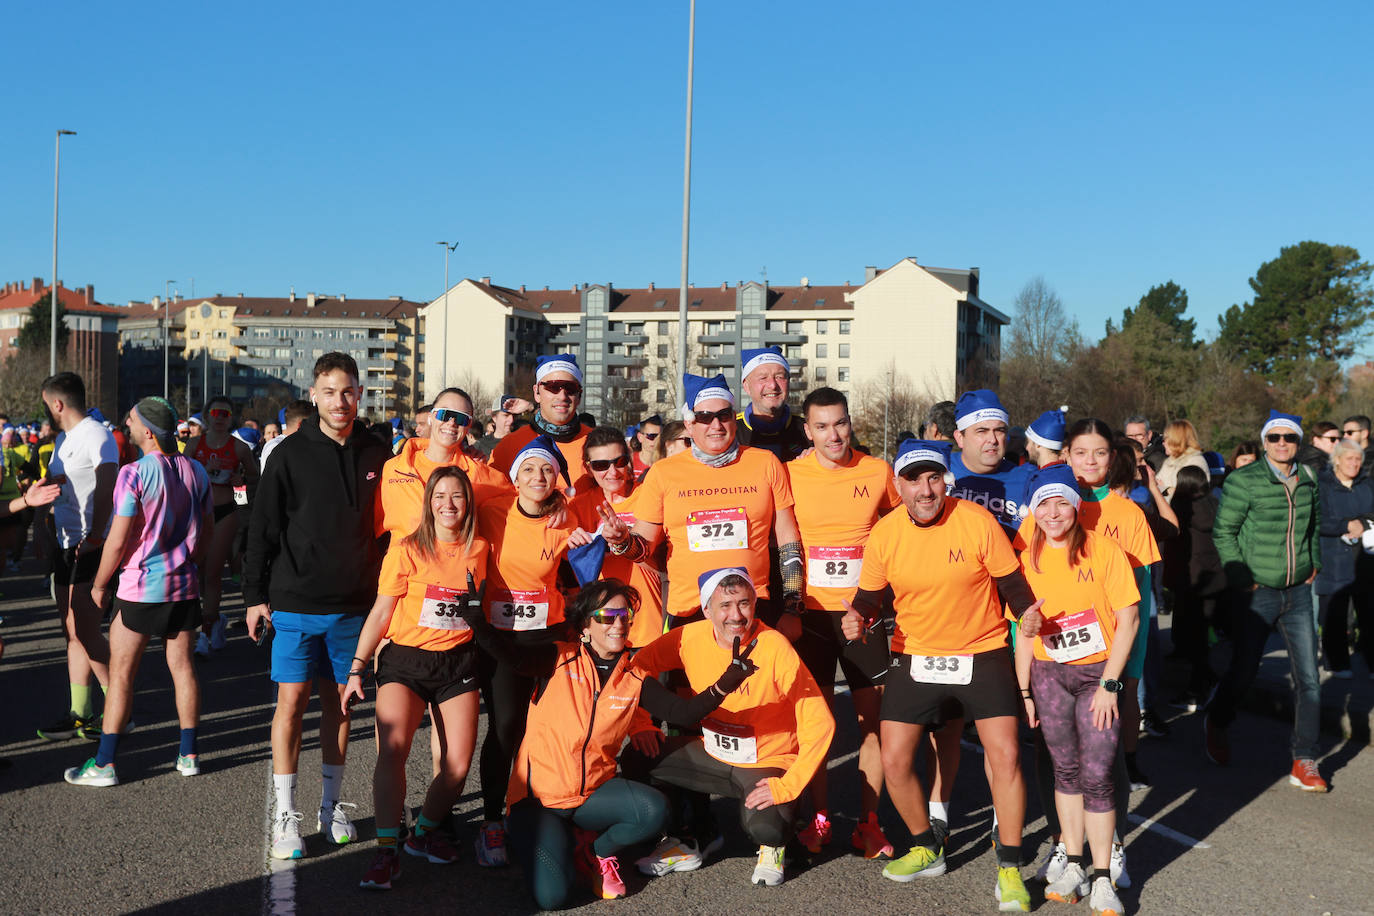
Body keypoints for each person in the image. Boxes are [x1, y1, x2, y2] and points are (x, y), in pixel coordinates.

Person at [838, 439, 1037, 912]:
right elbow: (870, 596)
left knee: (1006, 755)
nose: (926, 490)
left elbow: (1012, 585)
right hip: (916, 655)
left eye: (934, 478)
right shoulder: (885, 533)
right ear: (898, 485)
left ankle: (1009, 867)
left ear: (944, 480)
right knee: (895, 759)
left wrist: (1027, 613)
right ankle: (926, 845)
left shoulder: (976, 521)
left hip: (982, 652)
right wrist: (857, 616)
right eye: (914, 480)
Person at [244, 352, 393, 859]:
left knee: (340, 706)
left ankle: (332, 805)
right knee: (290, 705)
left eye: (348, 391)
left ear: (360, 394)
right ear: (314, 395)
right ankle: (286, 812)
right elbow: (260, 531)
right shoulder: (287, 453)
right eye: (329, 391)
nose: (340, 401)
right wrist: (253, 598)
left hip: (354, 608)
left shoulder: (378, 450)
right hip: (294, 604)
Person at [1017, 419, 1159, 889]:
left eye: (1100, 453)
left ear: (1113, 457)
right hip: (1050, 665)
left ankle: (1110, 849)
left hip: (1110, 656)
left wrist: (1121, 675)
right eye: (1081, 453)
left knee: (1104, 757)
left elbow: (1137, 600)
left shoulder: (1125, 514)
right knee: (1058, 761)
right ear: (1066, 456)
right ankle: (1067, 846)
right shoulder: (1043, 508)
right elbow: (1024, 602)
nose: (1091, 462)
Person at [632, 568, 835, 887]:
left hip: (765, 762)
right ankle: (689, 836)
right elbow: (633, 669)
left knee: (766, 828)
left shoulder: (774, 646)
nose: (736, 615)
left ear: (755, 603)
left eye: (744, 603)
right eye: (724, 605)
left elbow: (820, 721)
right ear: (706, 610)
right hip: (711, 754)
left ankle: (775, 846)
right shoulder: (688, 637)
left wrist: (789, 786)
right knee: (637, 757)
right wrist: (639, 723)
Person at [344, 467, 489, 889]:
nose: (448, 504)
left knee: (457, 766)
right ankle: (386, 850)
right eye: (439, 495)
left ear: (469, 502)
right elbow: (381, 611)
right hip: (405, 662)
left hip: (458, 663)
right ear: (427, 502)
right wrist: (357, 666)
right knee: (393, 752)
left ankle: (422, 832)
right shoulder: (407, 548)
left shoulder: (480, 548)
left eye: (457, 496)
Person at [62, 398, 214, 787]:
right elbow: (208, 532)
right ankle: (189, 754)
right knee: (183, 669)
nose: (126, 427)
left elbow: (117, 539)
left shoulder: (134, 473)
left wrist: (99, 584)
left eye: (130, 421)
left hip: (140, 586)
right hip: (183, 585)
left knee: (122, 674)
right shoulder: (196, 470)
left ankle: (105, 763)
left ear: (147, 430)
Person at [785, 387, 901, 858]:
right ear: (807, 431)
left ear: (851, 422)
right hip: (810, 616)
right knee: (816, 724)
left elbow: (900, 531)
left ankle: (870, 822)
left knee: (871, 720)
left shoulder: (877, 471)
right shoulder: (790, 475)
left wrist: (879, 602)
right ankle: (819, 817)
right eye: (823, 426)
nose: (834, 434)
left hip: (863, 615)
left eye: (841, 423)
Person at [472, 434, 585, 867]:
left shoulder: (565, 516)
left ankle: (545, 809)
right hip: (499, 637)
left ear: (556, 478)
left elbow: (579, 574)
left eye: (547, 470)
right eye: (529, 470)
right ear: (514, 478)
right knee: (505, 728)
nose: (538, 477)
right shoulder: (490, 511)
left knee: (549, 728)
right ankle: (490, 822)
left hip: (545, 636)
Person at [618, 373, 803, 633]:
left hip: (752, 607)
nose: (716, 424)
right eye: (705, 417)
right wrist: (621, 541)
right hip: (689, 611)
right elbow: (643, 549)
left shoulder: (765, 463)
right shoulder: (664, 472)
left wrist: (792, 606)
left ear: (734, 419)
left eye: (724, 415)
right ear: (690, 424)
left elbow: (788, 538)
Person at [1204, 410, 1326, 791]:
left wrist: (1314, 564)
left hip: (1299, 592)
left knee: (1309, 680)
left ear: (1299, 442)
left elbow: (1314, 526)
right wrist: (1242, 577)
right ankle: (1218, 721)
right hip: (1259, 592)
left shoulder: (1308, 478)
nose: (1282, 444)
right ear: (1264, 442)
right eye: (1274, 438)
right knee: (1244, 671)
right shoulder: (1244, 480)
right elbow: (1224, 532)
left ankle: (1304, 759)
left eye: (1289, 437)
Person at [934, 389, 1031, 847]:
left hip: (1005, 624)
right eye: (981, 431)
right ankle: (939, 810)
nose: (993, 440)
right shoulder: (938, 475)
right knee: (946, 726)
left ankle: (1001, 816)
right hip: (949, 620)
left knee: (1000, 733)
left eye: (998, 430)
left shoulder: (1027, 478)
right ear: (959, 436)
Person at [36, 372, 118, 741]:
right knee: (71, 633)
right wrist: (41, 524)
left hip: (90, 544)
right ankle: (80, 713)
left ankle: (119, 710)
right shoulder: (64, 439)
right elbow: (60, 487)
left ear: (57, 403)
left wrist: (98, 535)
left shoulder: (96, 434)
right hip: (66, 544)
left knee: (86, 629)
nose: (47, 412)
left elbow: (107, 486)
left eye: (46, 405)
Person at [571, 427, 665, 647]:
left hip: (649, 623)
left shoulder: (648, 494)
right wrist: (572, 542)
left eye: (619, 462)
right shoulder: (578, 507)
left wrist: (624, 540)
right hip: (602, 627)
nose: (612, 472)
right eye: (601, 465)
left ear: (630, 459)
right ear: (588, 468)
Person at [377, 388, 512, 540]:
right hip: (402, 562)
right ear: (431, 417)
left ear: (468, 427)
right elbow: (372, 523)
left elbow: (521, 502)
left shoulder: (479, 473)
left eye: (461, 419)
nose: (452, 422)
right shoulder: (394, 468)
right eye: (445, 414)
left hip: (453, 562)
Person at [185, 396, 259, 655]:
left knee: (213, 573)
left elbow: (251, 481)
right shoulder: (194, 445)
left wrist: (238, 482)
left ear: (231, 419)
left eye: (225, 414)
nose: (219, 417)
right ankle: (215, 619)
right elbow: (183, 479)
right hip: (199, 513)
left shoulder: (238, 449)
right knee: (200, 573)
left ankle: (204, 635)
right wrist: (204, 469)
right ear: (207, 417)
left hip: (227, 513)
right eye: (215, 413)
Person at [1163, 465, 1225, 708]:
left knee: (1194, 639)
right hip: (1214, 578)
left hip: (1191, 580)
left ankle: (1199, 688)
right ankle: (1205, 681)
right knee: (1200, 638)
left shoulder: (1182, 509)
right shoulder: (1214, 504)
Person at [490, 355, 595, 494]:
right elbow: (492, 501)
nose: (562, 396)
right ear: (537, 392)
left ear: (579, 395)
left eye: (570, 388)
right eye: (553, 387)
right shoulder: (510, 445)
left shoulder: (596, 443)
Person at [1315, 438, 1374, 679]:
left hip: (1365, 560)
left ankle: (1372, 662)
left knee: (1370, 615)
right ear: (1336, 460)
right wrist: (1344, 525)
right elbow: (1316, 518)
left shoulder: (1367, 484)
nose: (1354, 463)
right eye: (1349, 458)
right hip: (1333, 559)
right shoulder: (1323, 485)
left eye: (1358, 459)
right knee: (1335, 615)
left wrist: (1361, 522)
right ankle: (1337, 663)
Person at [734, 347, 809, 462]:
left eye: (779, 377)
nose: (773, 385)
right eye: (763, 378)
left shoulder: (808, 431)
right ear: (746, 386)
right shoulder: (730, 431)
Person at [1154, 419, 1209, 501]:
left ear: (1176, 440)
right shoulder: (1169, 461)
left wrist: (1166, 489)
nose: (1163, 443)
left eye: (1166, 439)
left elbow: (1189, 497)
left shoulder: (1196, 463)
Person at [259, 400, 312, 470]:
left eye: (275, 432)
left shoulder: (296, 443)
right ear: (301, 425)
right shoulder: (276, 447)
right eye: (314, 422)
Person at [630, 414, 663, 479]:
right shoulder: (630, 462)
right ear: (640, 437)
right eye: (652, 436)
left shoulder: (665, 462)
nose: (657, 440)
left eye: (661, 437)